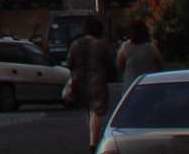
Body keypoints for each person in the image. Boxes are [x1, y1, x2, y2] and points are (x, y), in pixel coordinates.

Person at [65, 16, 119, 147]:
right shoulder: (101, 45)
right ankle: (93, 142)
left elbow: (69, 63)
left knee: (88, 109)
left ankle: (91, 136)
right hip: (97, 81)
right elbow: (110, 64)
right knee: (96, 111)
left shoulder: (76, 44)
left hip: (79, 81)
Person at [115, 19, 161, 106]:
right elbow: (159, 65)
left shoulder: (125, 47)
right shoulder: (151, 47)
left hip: (130, 88)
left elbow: (119, 66)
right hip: (148, 86)